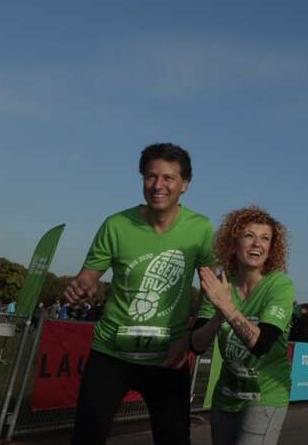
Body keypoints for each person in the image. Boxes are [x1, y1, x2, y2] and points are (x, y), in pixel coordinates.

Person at [65, 143, 214, 445]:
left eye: (169, 178)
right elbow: (89, 276)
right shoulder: (117, 225)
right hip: (111, 353)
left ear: (185, 185)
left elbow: (214, 291)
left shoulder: (201, 229)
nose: (158, 185)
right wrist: (82, 287)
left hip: (168, 357)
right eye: (150, 177)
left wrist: (190, 337)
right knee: (86, 438)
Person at [191, 206, 295, 445]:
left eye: (265, 238)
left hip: (266, 395)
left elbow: (260, 344)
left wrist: (225, 306)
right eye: (249, 235)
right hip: (227, 395)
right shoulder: (220, 284)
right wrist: (218, 316)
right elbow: (197, 344)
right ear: (233, 242)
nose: (257, 244)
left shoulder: (280, 286)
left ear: (272, 249)